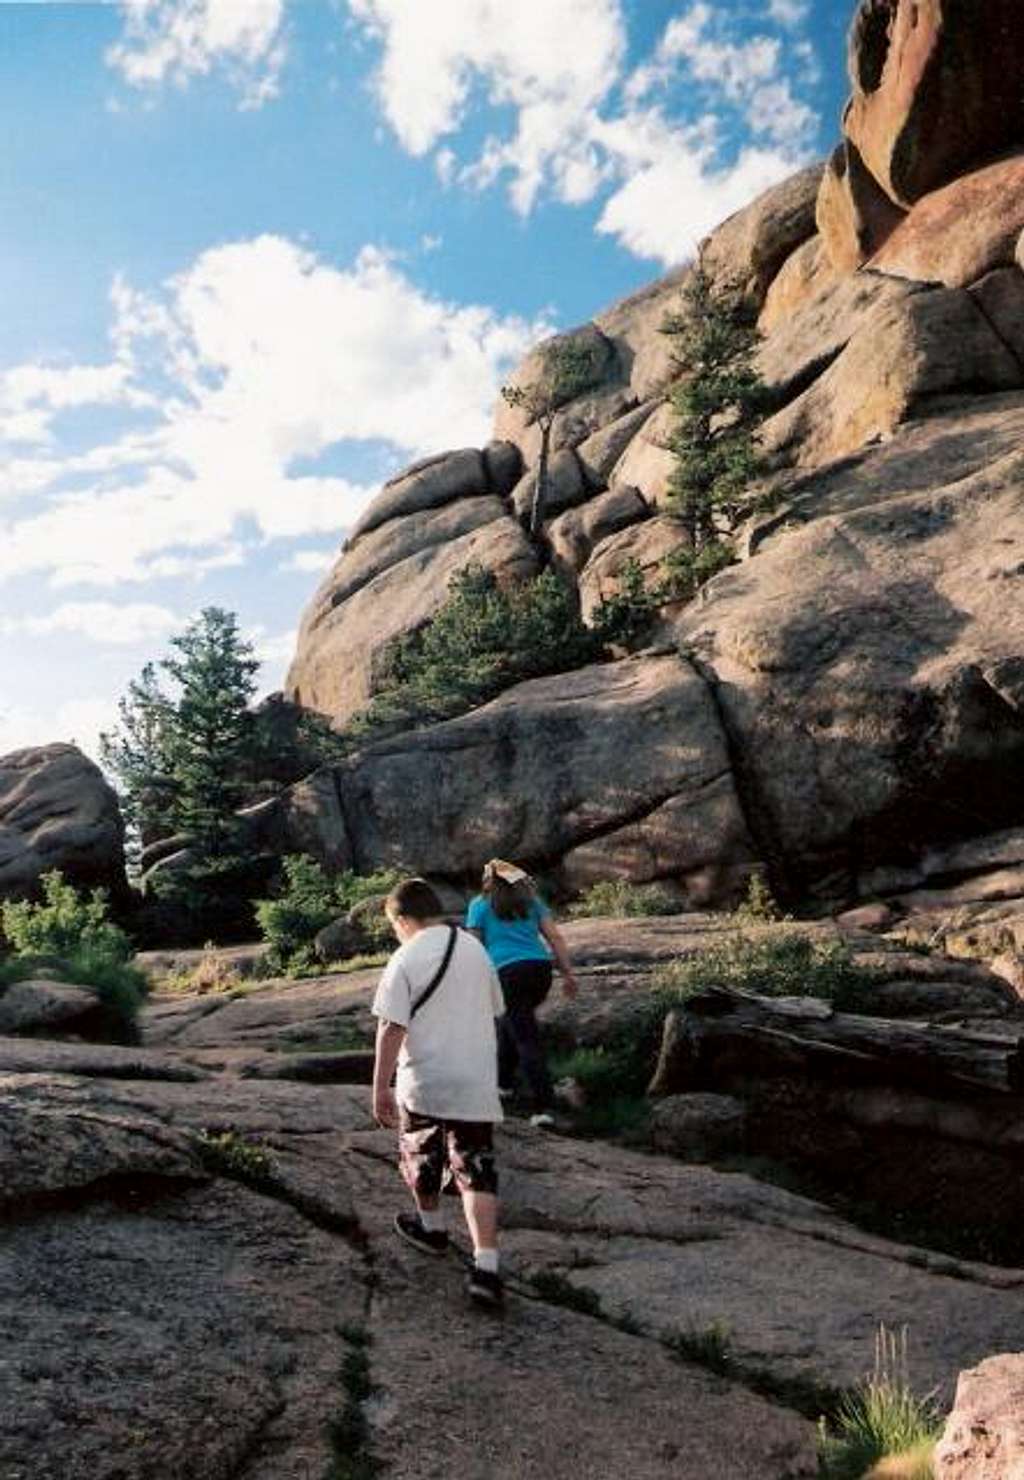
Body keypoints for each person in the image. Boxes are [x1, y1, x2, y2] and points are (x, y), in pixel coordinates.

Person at [372, 876, 506, 1308]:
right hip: (475, 1081)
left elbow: (392, 1026)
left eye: (395, 925)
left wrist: (380, 1087)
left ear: (403, 919)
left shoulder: (405, 957)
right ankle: (486, 1267)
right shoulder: (475, 949)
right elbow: (495, 1009)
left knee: (420, 1156)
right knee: (476, 1169)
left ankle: (432, 1228)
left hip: (425, 1081)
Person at [465, 859, 577, 1128]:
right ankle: (503, 1084)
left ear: (489, 880)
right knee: (511, 1023)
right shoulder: (532, 902)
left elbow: (474, 946)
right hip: (539, 972)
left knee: (525, 1037)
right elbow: (555, 938)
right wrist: (568, 973)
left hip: (506, 974)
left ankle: (544, 1107)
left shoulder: (480, 905)